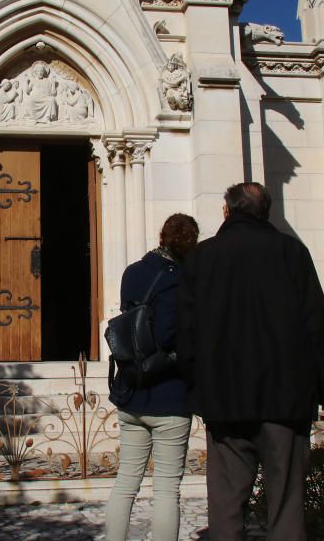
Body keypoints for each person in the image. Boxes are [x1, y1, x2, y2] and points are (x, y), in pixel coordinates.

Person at [177, 182, 324, 541]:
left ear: (227, 211)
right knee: (286, 505)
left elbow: (186, 334)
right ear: (265, 211)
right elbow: (318, 325)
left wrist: (195, 389)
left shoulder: (202, 257)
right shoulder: (291, 252)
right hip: (285, 400)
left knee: (225, 504)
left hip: (225, 400)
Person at [105, 213, 200, 541]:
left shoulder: (132, 271)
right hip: (169, 395)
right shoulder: (182, 278)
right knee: (166, 490)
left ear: (162, 236)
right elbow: (168, 334)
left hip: (131, 390)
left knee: (125, 483)